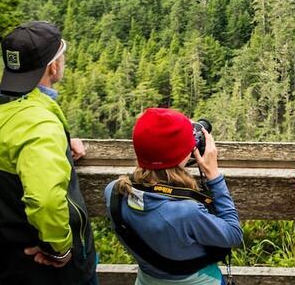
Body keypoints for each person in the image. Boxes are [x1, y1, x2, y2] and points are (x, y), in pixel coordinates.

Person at [0, 20, 97, 284]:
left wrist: (61, 140)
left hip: (9, 258)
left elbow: (12, 149)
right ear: (53, 66)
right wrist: (58, 248)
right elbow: (46, 200)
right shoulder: (39, 127)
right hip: (50, 270)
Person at [104, 108, 243, 285]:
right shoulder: (186, 212)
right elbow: (233, 234)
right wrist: (214, 175)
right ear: (182, 155)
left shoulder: (114, 193)